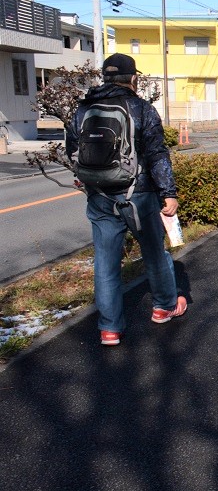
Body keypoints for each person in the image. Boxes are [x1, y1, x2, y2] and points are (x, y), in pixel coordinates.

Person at [65, 53, 186, 346]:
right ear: (133, 78)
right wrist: (168, 193)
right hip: (138, 194)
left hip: (100, 196)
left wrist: (90, 179)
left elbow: (72, 150)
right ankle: (164, 307)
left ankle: (109, 328)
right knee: (154, 252)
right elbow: (157, 154)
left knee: (106, 262)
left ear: (105, 77)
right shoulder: (142, 108)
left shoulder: (83, 109)